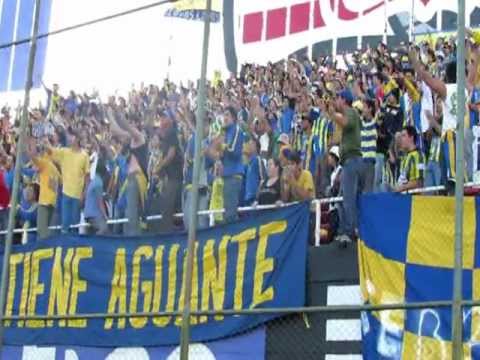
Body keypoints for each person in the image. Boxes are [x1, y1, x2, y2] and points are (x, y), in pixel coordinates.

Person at [106, 102, 148, 235]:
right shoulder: (130, 139)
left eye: (132, 123)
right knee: (129, 214)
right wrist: (110, 115)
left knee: (133, 215)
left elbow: (126, 127)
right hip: (130, 180)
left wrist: (118, 115)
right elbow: (115, 130)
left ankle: (135, 241)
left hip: (138, 178)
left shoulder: (140, 137)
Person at [328, 89, 362, 246]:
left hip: (352, 160)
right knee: (342, 199)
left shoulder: (351, 112)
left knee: (348, 198)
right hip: (347, 162)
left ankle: (351, 231)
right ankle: (345, 230)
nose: (336, 102)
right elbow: (336, 138)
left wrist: (332, 114)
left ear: (344, 99)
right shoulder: (347, 114)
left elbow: (346, 124)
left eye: (338, 99)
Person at [46, 130, 90, 234]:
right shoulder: (64, 152)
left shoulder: (84, 155)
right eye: (69, 137)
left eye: (72, 137)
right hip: (65, 193)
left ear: (77, 139)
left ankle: (74, 247)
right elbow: (51, 151)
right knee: (65, 225)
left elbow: (87, 177)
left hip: (77, 195)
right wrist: (45, 142)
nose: (70, 139)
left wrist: (84, 194)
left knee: (75, 224)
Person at [27, 138, 60, 239]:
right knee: (47, 230)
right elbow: (59, 183)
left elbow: (32, 156)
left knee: (42, 231)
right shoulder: (55, 169)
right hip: (52, 202)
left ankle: (46, 249)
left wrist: (31, 144)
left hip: (44, 202)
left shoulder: (45, 164)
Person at [215, 106, 245, 223]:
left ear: (233, 117)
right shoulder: (224, 133)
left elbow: (234, 151)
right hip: (225, 176)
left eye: (227, 115)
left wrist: (221, 146)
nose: (224, 118)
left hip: (233, 175)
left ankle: (233, 239)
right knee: (225, 214)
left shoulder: (237, 130)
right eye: (224, 115)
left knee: (230, 215)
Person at [157, 110, 183, 232]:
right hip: (171, 177)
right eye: (160, 118)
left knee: (167, 210)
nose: (161, 120)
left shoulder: (172, 133)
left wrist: (158, 168)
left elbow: (170, 155)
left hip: (174, 177)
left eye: (164, 117)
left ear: (171, 120)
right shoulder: (167, 135)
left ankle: (168, 237)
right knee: (171, 210)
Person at [394, 126, 425, 192]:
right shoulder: (405, 157)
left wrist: (402, 187)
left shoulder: (418, 156)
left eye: (404, 136)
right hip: (401, 197)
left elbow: (419, 182)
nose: (401, 139)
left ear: (411, 137)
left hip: (412, 199)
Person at [84, 163, 108, 235]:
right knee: (104, 228)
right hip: (94, 215)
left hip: (88, 213)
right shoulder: (98, 183)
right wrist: (105, 216)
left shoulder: (94, 181)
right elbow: (100, 202)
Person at [360, 98, 377, 193]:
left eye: (365, 107)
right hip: (360, 160)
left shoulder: (375, 123)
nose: (363, 109)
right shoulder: (360, 123)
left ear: (370, 109)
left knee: (368, 191)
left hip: (369, 161)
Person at [243, 138, 265, 206]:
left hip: (254, 199)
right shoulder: (247, 164)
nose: (249, 146)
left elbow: (263, 179)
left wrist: (257, 198)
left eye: (251, 144)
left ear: (256, 147)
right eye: (248, 144)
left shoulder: (258, 160)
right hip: (246, 198)